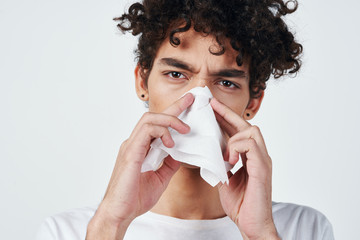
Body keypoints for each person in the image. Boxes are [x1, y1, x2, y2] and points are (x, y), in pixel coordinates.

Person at [36, 0, 335, 239]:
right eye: (176, 74)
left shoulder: (303, 229)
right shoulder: (68, 232)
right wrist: (112, 224)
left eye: (226, 83)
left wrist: (260, 234)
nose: (199, 101)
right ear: (143, 82)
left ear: (253, 102)